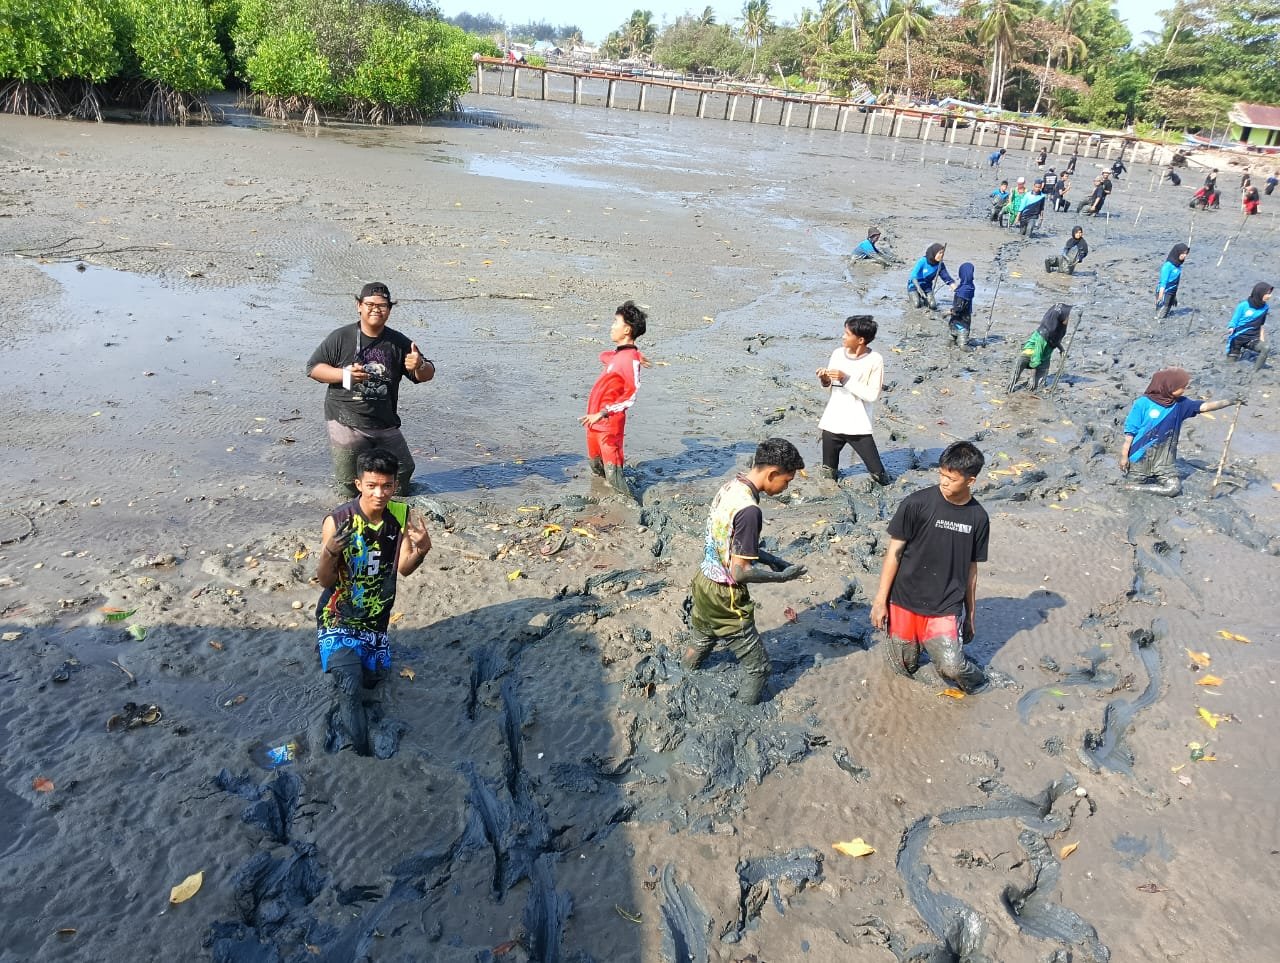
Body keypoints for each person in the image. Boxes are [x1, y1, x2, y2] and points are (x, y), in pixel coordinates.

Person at [315, 448, 432, 753]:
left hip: (375, 621)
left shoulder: (401, 516)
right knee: (350, 687)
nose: (379, 493)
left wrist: (422, 550)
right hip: (338, 617)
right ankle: (359, 752)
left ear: (395, 486)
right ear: (358, 484)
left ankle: (354, 666)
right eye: (372, 486)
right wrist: (330, 551)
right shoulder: (339, 520)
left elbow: (404, 568)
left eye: (386, 486)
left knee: (373, 681)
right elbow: (325, 581)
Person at [684, 438, 808, 704]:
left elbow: (728, 541)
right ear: (772, 473)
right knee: (759, 668)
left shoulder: (731, 487)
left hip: (704, 580)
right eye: (786, 481)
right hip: (726, 596)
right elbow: (739, 572)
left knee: (702, 637)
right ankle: (741, 714)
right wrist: (781, 577)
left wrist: (771, 558)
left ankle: (686, 672)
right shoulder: (751, 511)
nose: (785, 487)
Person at [871, 440, 990, 693]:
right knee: (901, 665)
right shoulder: (916, 504)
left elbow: (971, 570)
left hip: (945, 605)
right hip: (904, 599)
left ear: (971, 481)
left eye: (952, 478)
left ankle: (983, 685)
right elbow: (894, 552)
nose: (944, 482)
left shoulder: (978, 518)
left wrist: (970, 615)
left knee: (953, 667)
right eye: (942, 475)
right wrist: (881, 600)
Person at [307, 282, 435, 497]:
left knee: (403, 470)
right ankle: (348, 515)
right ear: (359, 305)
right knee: (349, 482)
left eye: (382, 305)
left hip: (384, 421)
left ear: (389, 310)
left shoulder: (399, 342)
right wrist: (344, 375)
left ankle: (391, 512)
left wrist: (419, 365)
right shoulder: (341, 337)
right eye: (370, 304)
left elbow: (427, 374)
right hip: (345, 419)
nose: (376, 309)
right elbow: (314, 369)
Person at [1120, 369, 1239, 496]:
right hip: (1139, 459)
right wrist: (1124, 457)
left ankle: (1134, 488)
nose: (1184, 390)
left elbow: (1205, 407)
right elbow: (1130, 434)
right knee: (1136, 480)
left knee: (1174, 489)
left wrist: (1230, 401)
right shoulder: (1142, 404)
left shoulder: (1180, 404)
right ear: (1169, 387)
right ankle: (1132, 486)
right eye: (1182, 387)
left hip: (1165, 462)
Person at [580, 300, 648, 499]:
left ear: (627, 329)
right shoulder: (622, 356)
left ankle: (628, 506)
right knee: (596, 467)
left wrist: (602, 413)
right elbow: (605, 356)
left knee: (613, 474)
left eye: (615, 322)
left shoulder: (629, 359)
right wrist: (636, 353)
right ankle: (602, 498)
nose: (611, 326)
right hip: (593, 423)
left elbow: (631, 395)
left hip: (608, 425)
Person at [817, 315, 890, 486]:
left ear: (861, 340)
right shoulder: (837, 354)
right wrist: (825, 380)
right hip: (832, 423)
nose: (843, 337)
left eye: (847, 334)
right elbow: (831, 387)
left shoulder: (875, 360)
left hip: (857, 426)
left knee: (879, 475)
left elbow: (872, 395)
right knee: (828, 473)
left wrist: (845, 378)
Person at [1009, 303, 1073, 393]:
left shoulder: (1057, 329)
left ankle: (1028, 395)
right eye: (1067, 316)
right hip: (1029, 355)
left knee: (1039, 385)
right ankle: (1009, 394)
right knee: (1013, 381)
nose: (1068, 318)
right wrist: (1033, 375)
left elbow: (1054, 340)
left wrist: (1061, 349)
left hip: (1044, 358)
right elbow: (1037, 354)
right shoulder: (1042, 335)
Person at [1226, 281, 1271, 369]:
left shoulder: (1265, 307)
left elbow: (1261, 325)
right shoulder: (1243, 306)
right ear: (1260, 293)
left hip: (1252, 339)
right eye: (1267, 294)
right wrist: (1231, 327)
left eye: (1270, 294)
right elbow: (1234, 320)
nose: (1270, 296)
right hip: (1237, 339)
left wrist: (1262, 340)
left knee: (1266, 348)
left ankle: (1255, 373)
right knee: (1229, 365)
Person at [907, 242, 956, 310]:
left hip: (927, 286)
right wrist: (919, 289)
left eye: (943, 253)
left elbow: (947, 278)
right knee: (917, 304)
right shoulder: (923, 261)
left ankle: (924, 299)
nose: (941, 255)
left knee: (933, 306)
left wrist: (957, 290)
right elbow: (913, 276)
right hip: (914, 285)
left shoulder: (940, 265)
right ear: (934, 253)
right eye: (940, 253)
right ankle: (915, 296)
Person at [1156, 242, 1189, 319]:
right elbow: (1163, 282)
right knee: (1160, 315)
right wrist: (1160, 297)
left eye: (1186, 253)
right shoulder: (1168, 266)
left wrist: (1174, 296)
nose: (1185, 256)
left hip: (1171, 292)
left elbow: (1175, 282)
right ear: (1177, 253)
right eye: (1183, 253)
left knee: (1166, 312)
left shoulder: (1178, 265)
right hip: (1164, 292)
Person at [947, 262, 976, 346]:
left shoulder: (963, 288)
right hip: (963, 320)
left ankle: (952, 343)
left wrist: (949, 312)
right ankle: (963, 345)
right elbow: (959, 306)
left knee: (953, 339)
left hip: (955, 320)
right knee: (962, 342)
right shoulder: (968, 288)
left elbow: (958, 307)